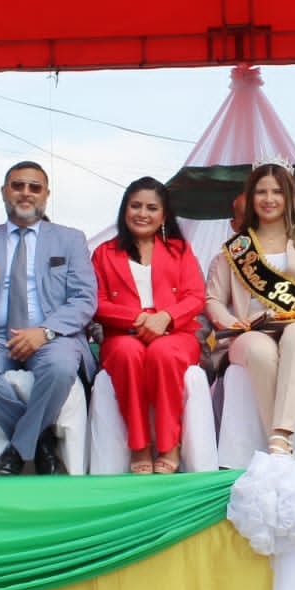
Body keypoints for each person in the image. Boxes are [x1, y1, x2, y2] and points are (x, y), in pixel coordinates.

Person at [0, 161, 97, 476]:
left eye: (34, 187)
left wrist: (44, 331)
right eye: (18, 186)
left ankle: (17, 450)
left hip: (52, 335)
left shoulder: (70, 239)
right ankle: (39, 440)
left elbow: (84, 299)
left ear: (46, 194)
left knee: (60, 368)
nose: (26, 193)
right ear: (4, 192)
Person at [206, 160, 295, 456]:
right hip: (253, 331)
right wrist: (232, 322)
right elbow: (213, 299)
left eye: (277, 192)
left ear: (289, 197)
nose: (269, 199)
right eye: (261, 192)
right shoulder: (237, 248)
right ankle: (280, 444)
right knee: (259, 350)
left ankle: (281, 434)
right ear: (251, 196)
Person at [92, 177, 207, 473]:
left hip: (175, 332)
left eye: (152, 208)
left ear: (164, 215)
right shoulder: (104, 253)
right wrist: (138, 318)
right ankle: (139, 445)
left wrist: (165, 317)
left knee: (163, 354)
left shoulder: (180, 250)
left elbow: (196, 296)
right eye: (136, 206)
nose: (142, 214)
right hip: (123, 333)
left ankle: (169, 445)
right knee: (127, 353)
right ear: (124, 210)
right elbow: (95, 303)